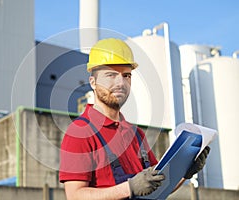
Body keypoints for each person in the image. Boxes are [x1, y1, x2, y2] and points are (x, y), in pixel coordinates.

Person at [59, 38, 210, 200]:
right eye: (111, 75)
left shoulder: (136, 134)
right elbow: (75, 195)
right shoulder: (80, 132)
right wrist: (130, 188)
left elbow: (158, 184)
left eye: (126, 76)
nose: (120, 82)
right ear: (93, 82)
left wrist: (184, 172)